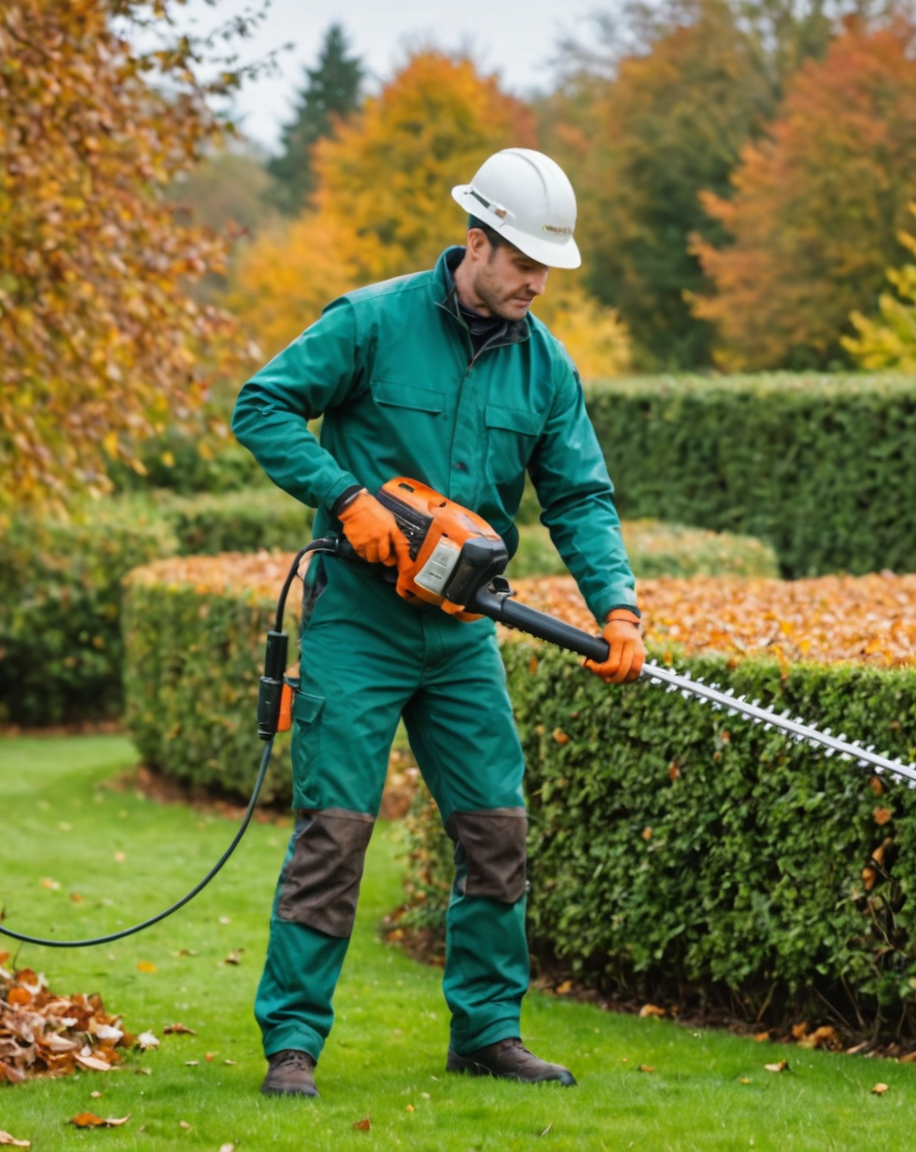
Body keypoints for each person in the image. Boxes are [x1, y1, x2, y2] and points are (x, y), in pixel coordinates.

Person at [231, 147, 645, 1099]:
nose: (538, 281)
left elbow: (579, 498)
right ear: (476, 241)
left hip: (463, 631)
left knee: (495, 827)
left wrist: (617, 607)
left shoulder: (546, 367)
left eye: (550, 266)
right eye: (524, 261)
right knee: (336, 829)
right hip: (358, 624)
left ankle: (488, 1032)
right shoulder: (372, 322)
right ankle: (292, 1043)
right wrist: (345, 497)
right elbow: (263, 406)